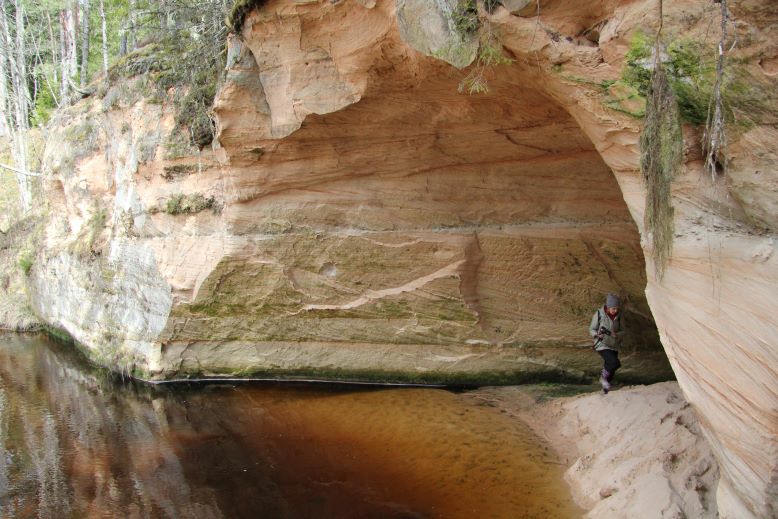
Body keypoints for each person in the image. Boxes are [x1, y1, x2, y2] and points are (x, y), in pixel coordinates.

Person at [589, 293, 623, 394]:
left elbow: (624, 331)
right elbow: (591, 329)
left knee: (611, 370)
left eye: (617, 308)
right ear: (607, 307)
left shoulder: (620, 316)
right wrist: (597, 335)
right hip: (602, 344)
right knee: (615, 363)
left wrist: (617, 334)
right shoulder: (599, 314)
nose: (615, 311)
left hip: (614, 345)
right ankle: (602, 377)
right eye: (613, 308)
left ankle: (605, 391)